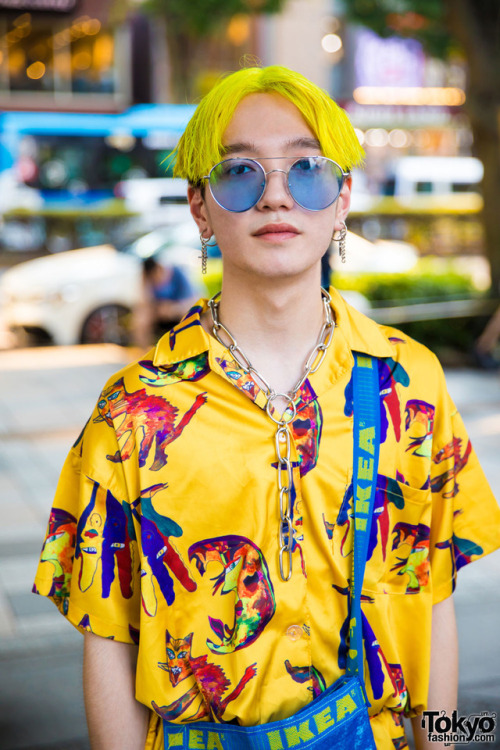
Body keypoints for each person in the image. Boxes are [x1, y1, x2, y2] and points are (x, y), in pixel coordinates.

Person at [33, 66, 500, 750]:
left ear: (342, 200)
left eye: (307, 169)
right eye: (239, 171)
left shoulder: (410, 383)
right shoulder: (134, 411)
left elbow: (431, 604)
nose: (277, 194)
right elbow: (109, 638)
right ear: (199, 206)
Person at [133, 256, 200, 349]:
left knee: (184, 313)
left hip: (179, 309)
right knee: (141, 319)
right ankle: (144, 352)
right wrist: (144, 282)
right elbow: (143, 303)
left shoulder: (177, 273)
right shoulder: (149, 279)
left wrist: (172, 308)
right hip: (160, 313)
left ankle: (187, 348)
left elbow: (192, 300)